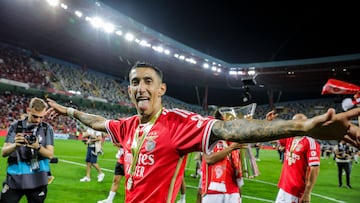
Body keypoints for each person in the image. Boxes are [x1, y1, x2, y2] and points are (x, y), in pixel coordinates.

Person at [46, 61, 360, 203]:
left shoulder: (178, 123)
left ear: (161, 89)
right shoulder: (126, 126)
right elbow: (98, 122)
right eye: (134, 82)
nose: (139, 87)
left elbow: (230, 128)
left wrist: (301, 126)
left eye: (147, 81)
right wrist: (69, 111)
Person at [0, 97, 55, 203]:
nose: (38, 120)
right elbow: (4, 152)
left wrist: (37, 147)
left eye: (41, 117)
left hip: (38, 179)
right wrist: (15, 145)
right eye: (35, 116)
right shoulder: (16, 126)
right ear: (28, 110)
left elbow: (50, 154)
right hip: (15, 178)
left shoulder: (46, 128)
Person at [268, 112, 321, 203]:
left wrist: (307, 192)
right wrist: (269, 123)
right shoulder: (289, 137)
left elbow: (314, 169)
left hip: (297, 192)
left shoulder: (310, 143)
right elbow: (271, 138)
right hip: (284, 187)